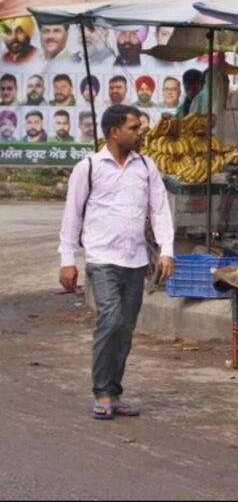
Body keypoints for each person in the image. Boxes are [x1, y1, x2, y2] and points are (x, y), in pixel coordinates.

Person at [58, 104, 175, 421]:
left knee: (125, 327)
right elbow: (73, 215)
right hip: (102, 258)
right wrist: (67, 259)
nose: (141, 133)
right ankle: (102, 392)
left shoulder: (146, 167)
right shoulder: (89, 168)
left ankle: (114, 390)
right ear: (114, 132)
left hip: (135, 260)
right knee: (110, 317)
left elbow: (159, 210)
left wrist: (166, 249)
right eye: (134, 128)